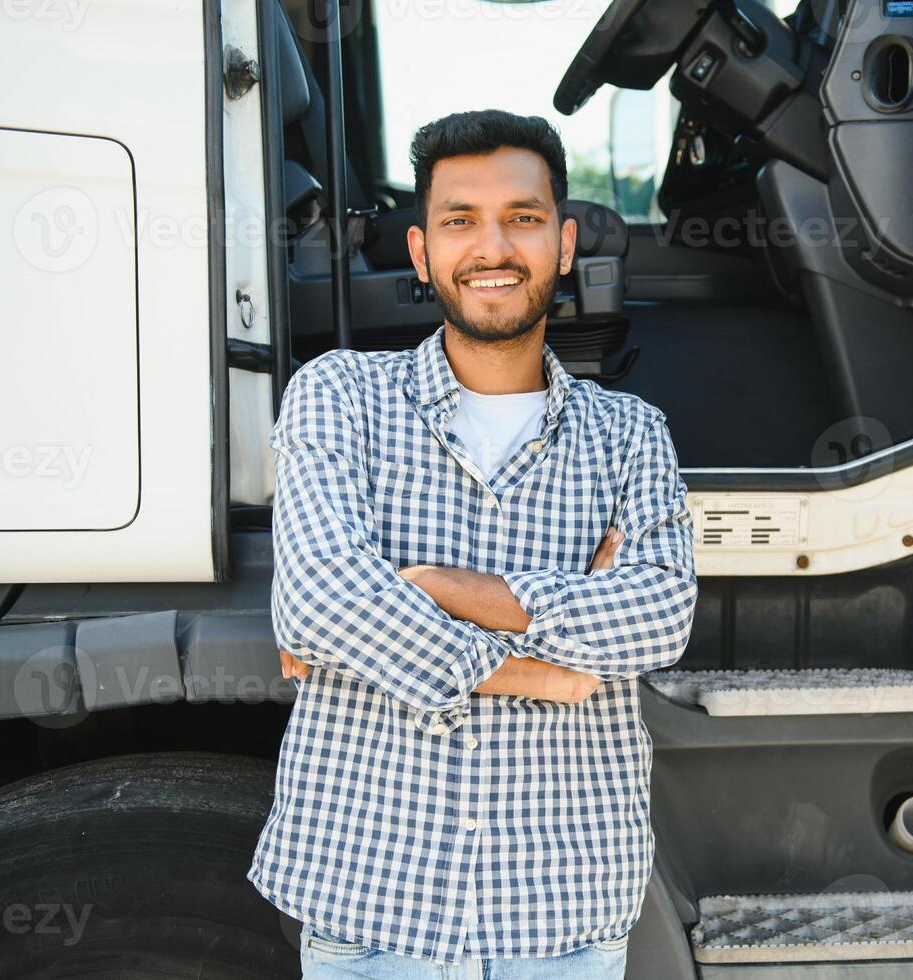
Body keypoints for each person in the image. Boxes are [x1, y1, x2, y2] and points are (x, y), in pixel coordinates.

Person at [246, 109, 699, 979]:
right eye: (460, 220)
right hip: (370, 905)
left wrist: (428, 585)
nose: (492, 246)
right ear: (421, 253)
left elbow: (658, 618)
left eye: (521, 218)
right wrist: (545, 670)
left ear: (562, 244)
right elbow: (317, 598)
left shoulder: (632, 434)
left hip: (560, 918)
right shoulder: (339, 394)